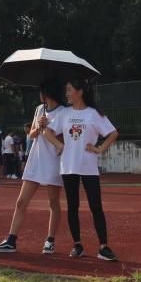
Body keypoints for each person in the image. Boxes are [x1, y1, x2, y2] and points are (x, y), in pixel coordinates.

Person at [0, 79, 67, 254]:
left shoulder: (64, 112)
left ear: (47, 92)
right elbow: (32, 134)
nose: (40, 95)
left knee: (53, 202)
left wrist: (50, 128)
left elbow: (65, 139)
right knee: (21, 201)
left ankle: (50, 241)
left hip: (53, 161)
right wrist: (39, 126)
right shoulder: (40, 109)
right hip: (36, 159)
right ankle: (11, 240)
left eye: (41, 91)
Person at [51, 78, 120, 262]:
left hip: (88, 166)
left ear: (79, 92)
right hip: (69, 166)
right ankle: (77, 245)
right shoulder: (64, 113)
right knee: (72, 206)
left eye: (69, 90)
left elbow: (113, 133)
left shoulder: (93, 114)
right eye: (66, 90)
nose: (66, 94)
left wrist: (99, 149)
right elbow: (47, 131)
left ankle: (103, 247)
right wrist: (59, 144)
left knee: (96, 206)